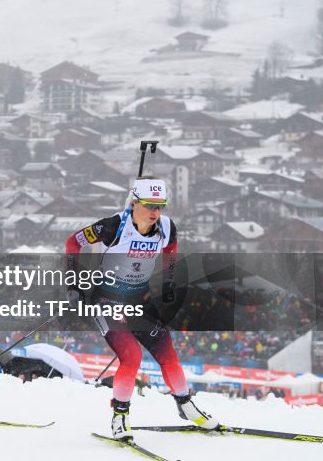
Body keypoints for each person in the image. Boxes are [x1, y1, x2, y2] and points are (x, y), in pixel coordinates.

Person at [65, 177, 218, 441]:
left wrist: (168, 280)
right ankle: (120, 418)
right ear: (135, 202)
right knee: (132, 357)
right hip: (107, 301)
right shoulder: (112, 226)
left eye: (161, 206)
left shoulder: (167, 227)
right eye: (150, 206)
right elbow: (72, 242)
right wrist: (72, 285)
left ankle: (186, 406)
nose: (156, 213)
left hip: (140, 301)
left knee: (167, 353)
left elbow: (171, 249)